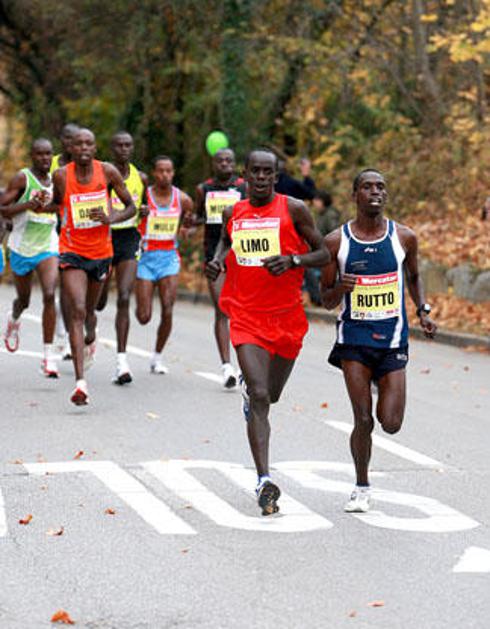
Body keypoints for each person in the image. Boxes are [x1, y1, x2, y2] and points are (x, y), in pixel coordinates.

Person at [206, 148, 330, 516]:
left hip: (287, 317)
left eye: (267, 172)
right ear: (244, 175)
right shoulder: (233, 212)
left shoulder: (294, 209)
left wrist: (293, 260)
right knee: (259, 395)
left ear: (276, 176)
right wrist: (217, 261)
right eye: (255, 172)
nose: (261, 177)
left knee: (271, 395)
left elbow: (323, 253)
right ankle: (264, 480)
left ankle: (254, 394)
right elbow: (226, 240)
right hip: (246, 315)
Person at [321, 169, 437, 513]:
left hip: (392, 340)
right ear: (354, 195)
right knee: (363, 420)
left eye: (381, 187)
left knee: (391, 424)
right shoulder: (335, 242)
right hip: (354, 341)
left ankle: (378, 381)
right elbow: (325, 299)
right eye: (368, 187)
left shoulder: (404, 237)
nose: (376, 192)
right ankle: (361, 487)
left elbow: (414, 277)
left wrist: (423, 310)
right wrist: (340, 288)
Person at [49, 128, 135, 405]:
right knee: (77, 310)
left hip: (100, 253)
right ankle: (80, 384)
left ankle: (91, 329)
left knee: (89, 310)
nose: (84, 147)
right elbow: (55, 204)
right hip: (71, 250)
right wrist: (39, 204)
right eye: (79, 143)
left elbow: (131, 207)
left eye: (89, 143)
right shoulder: (61, 175)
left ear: (95, 148)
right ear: (71, 149)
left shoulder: (108, 172)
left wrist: (111, 217)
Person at [0, 138, 60, 377]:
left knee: (49, 294)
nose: (45, 158)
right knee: (23, 300)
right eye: (40, 154)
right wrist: (28, 205)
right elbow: (3, 209)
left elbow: (62, 205)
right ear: (32, 156)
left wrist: (46, 207)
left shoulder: (58, 179)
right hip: (21, 247)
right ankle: (14, 319)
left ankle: (48, 356)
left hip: (48, 245)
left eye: (49, 154)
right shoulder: (22, 179)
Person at [96, 131, 148, 385]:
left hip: (129, 238)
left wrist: (144, 210)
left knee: (125, 296)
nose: (124, 149)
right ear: (112, 148)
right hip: (104, 238)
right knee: (99, 302)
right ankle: (90, 328)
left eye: (128, 145)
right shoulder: (103, 175)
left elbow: (141, 206)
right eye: (119, 145)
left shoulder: (141, 177)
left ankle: (121, 361)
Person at [135, 156, 193, 374]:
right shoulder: (144, 197)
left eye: (169, 171)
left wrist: (186, 229)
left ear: (173, 173)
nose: (165, 175)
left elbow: (189, 221)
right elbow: (131, 215)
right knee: (144, 317)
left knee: (168, 307)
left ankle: (157, 356)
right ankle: (141, 306)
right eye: (161, 171)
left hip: (169, 258)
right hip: (146, 258)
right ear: (154, 173)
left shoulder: (183, 199)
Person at [195, 148, 247, 388]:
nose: (225, 164)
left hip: (242, 256)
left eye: (229, 160)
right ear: (213, 164)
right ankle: (227, 367)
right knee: (221, 309)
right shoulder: (204, 189)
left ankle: (246, 362)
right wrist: (190, 223)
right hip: (214, 256)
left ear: (234, 164)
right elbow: (199, 217)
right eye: (220, 161)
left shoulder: (244, 188)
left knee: (242, 311)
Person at [51, 123, 80, 359]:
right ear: (62, 140)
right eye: (68, 139)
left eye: (76, 140)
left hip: (78, 230)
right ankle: (66, 328)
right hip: (54, 228)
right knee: (62, 283)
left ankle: (71, 330)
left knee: (72, 288)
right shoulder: (51, 164)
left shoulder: (84, 165)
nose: (72, 144)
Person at [303, 190, 340, 305]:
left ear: (322, 201)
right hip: (321, 250)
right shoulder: (321, 214)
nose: (314, 202)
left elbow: (333, 234)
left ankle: (318, 299)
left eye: (316, 200)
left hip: (327, 253)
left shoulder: (330, 215)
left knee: (309, 270)